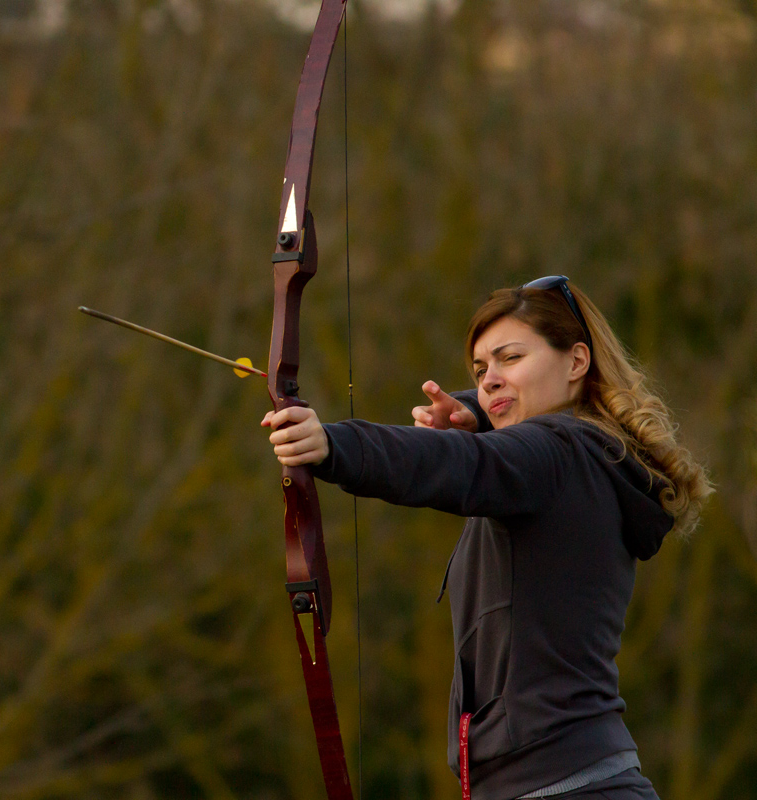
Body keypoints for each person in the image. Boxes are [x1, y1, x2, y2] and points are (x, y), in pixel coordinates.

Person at [261, 277, 713, 800]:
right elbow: (489, 454)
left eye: (510, 358)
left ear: (576, 362)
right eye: (480, 370)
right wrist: (475, 411)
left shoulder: (560, 454)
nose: (490, 379)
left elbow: (458, 464)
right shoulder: (581, 459)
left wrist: (335, 444)